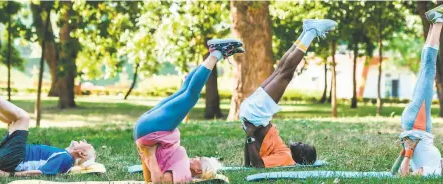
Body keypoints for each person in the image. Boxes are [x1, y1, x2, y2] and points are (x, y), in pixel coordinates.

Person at [134, 38, 244, 183]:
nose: (197, 156)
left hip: (153, 130)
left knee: (191, 96)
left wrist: (149, 155)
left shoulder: (184, 176)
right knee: (185, 89)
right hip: (151, 129)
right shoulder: (183, 165)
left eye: (201, 159)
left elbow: (157, 182)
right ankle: (215, 52)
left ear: (199, 171)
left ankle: (217, 53)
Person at [0, 64, 97, 178]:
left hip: (14, 159)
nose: (84, 140)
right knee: (12, 120)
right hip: (10, 157)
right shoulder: (64, 155)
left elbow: (42, 173)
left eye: (87, 144)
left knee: (23, 117)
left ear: (81, 153)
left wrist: (9, 174)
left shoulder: (66, 159)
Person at [240, 19, 337, 168]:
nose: (300, 142)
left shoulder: (287, 159)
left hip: (256, 114)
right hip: (256, 115)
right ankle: (305, 32)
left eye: (303, 146)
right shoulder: (284, 151)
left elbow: (258, 165)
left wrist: (249, 135)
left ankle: (311, 32)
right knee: (281, 70)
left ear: (302, 157)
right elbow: (251, 163)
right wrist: (248, 140)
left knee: (285, 74)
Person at [390, 2, 443, 177]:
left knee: (428, 70)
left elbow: (405, 176)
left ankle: (439, 21)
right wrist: (407, 152)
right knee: (426, 69)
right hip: (422, 126)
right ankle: (435, 22)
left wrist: (408, 152)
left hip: (416, 125)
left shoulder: (433, 173)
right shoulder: (436, 166)